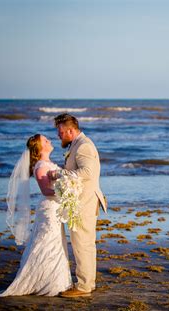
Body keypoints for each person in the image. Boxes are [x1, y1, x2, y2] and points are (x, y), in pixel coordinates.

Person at [0, 134, 72, 297]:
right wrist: (66, 191)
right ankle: (47, 282)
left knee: (56, 243)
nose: (49, 141)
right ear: (40, 148)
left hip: (54, 207)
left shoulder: (47, 163)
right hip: (49, 209)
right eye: (45, 141)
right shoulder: (41, 166)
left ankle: (56, 280)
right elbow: (45, 190)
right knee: (48, 243)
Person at [49, 113, 107, 298]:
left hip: (85, 202)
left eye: (60, 132)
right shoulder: (78, 144)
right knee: (85, 243)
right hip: (85, 200)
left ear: (71, 131)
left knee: (82, 244)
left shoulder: (84, 146)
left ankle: (83, 287)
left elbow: (87, 172)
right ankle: (87, 283)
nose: (58, 136)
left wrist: (60, 174)